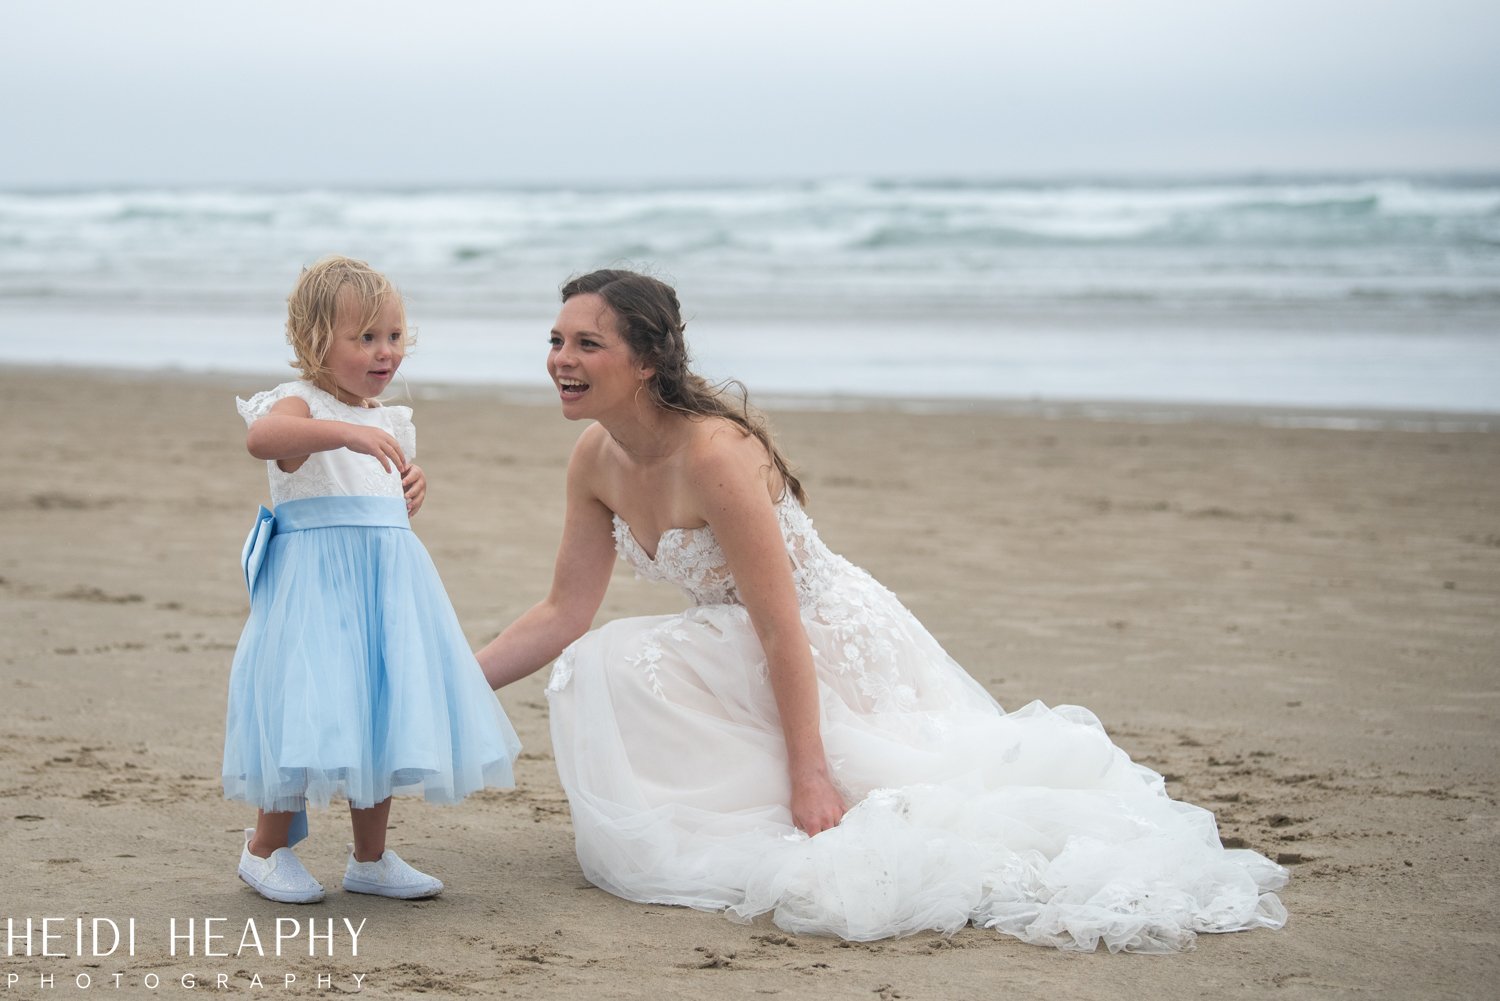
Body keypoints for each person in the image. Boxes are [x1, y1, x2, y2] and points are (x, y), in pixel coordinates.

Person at [476, 269, 1287, 951]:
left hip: (821, 637)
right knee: (601, 659)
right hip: (730, 634)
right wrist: (451, 684)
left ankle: (802, 778)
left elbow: (780, 624)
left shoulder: (715, 453)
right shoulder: (596, 456)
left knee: (649, 666)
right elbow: (560, 612)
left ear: (648, 360)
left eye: (587, 343)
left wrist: (812, 776)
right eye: (555, 340)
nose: (561, 359)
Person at [224, 255, 521, 905]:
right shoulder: (300, 404)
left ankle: (371, 855)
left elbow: (382, 486)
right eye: (365, 338)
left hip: (384, 586)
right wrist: (345, 435)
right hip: (316, 588)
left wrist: (411, 484)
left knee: (377, 707)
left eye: (393, 337)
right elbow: (264, 438)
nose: (384, 352)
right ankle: (265, 847)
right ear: (315, 341)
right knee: (309, 708)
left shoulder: (389, 417)